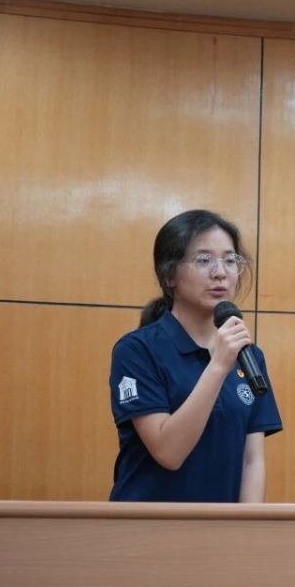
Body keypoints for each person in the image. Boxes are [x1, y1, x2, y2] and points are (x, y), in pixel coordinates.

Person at [108, 210, 282, 502]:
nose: (220, 272)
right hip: (148, 523)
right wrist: (218, 366)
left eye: (230, 260)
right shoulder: (136, 350)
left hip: (222, 526)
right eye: (203, 260)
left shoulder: (249, 355)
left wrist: (248, 525)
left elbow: (252, 461)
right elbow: (169, 453)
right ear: (169, 275)